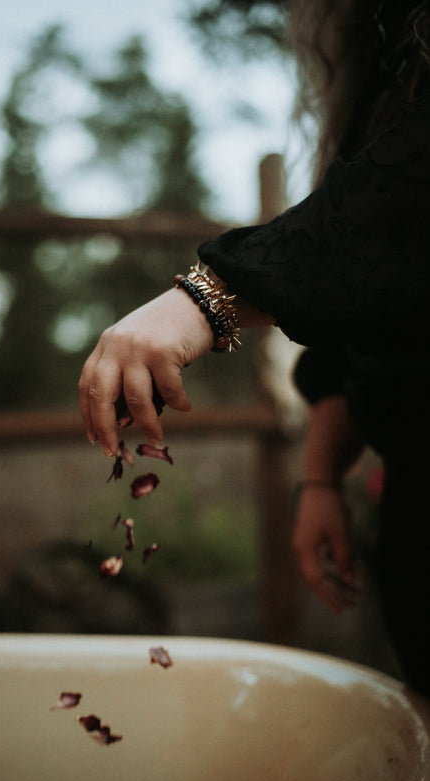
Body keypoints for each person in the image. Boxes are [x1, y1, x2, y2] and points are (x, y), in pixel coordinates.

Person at [79, 0, 430, 697]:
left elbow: (389, 221)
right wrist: (321, 478)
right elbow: (359, 326)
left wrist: (206, 299)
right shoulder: (380, 55)